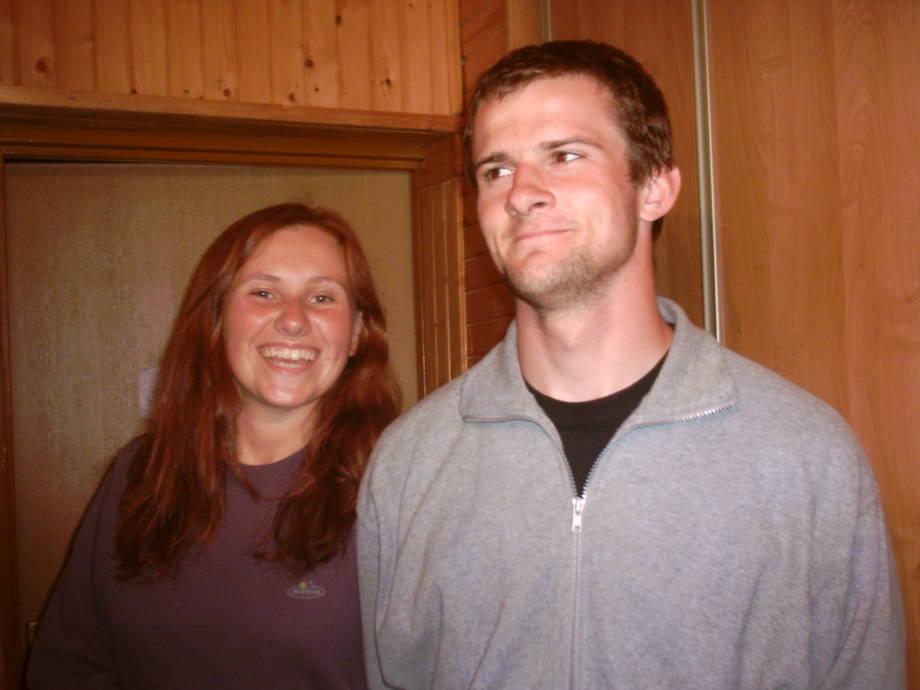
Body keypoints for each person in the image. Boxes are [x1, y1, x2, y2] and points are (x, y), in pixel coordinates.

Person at [357, 41, 905, 689]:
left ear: (654, 188)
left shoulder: (806, 455)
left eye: (565, 156)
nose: (521, 194)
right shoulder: (410, 463)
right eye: (496, 170)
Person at [28, 202, 400, 689]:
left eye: (322, 297)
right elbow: (69, 662)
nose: (293, 319)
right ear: (216, 318)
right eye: (264, 292)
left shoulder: (399, 486)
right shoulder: (140, 472)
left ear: (355, 333)